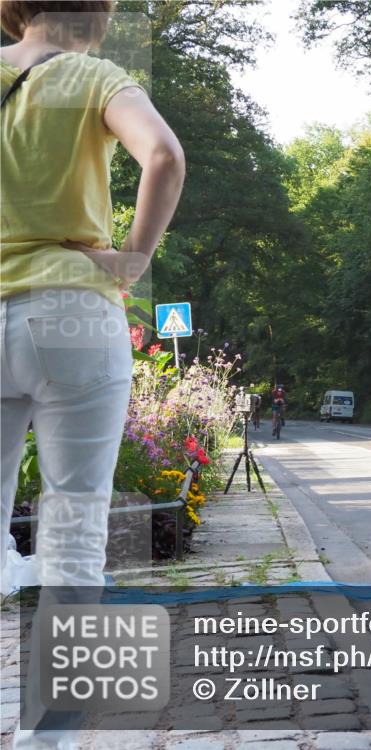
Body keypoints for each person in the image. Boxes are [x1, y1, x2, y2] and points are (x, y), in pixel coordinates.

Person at [1, 1, 185, 746]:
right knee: (76, 522)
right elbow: (165, 156)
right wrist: (134, 258)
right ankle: (52, 738)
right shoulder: (95, 76)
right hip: (73, 311)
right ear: (97, 14)